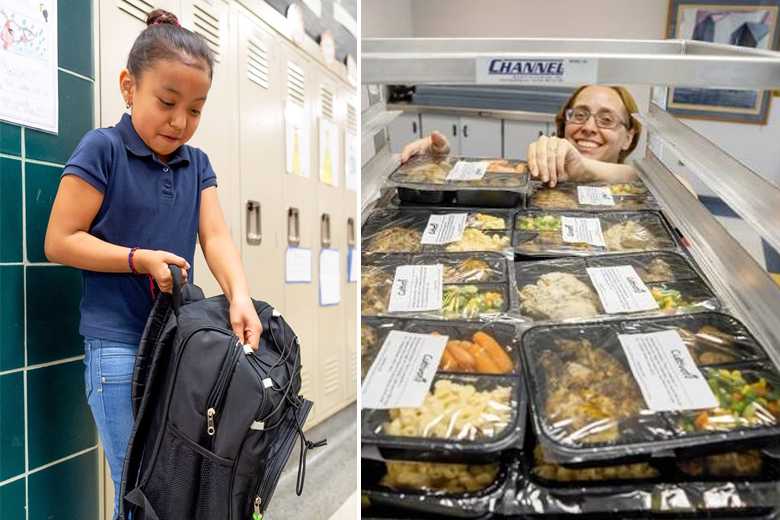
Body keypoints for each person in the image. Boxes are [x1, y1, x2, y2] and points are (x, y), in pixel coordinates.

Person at [43, 10, 262, 519]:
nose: (180, 122)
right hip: (117, 348)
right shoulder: (103, 149)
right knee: (138, 488)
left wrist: (240, 296)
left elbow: (215, 235)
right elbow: (59, 240)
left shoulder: (197, 163)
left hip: (178, 348)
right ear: (128, 86)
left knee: (175, 483)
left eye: (195, 110)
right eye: (166, 103)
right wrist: (136, 259)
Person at [400, 85, 642, 187]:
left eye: (606, 119)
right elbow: (484, 181)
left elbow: (641, 177)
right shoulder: (537, 175)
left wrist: (585, 169)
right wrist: (436, 166)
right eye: (579, 115)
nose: (589, 127)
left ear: (629, 138)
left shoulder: (646, 185)